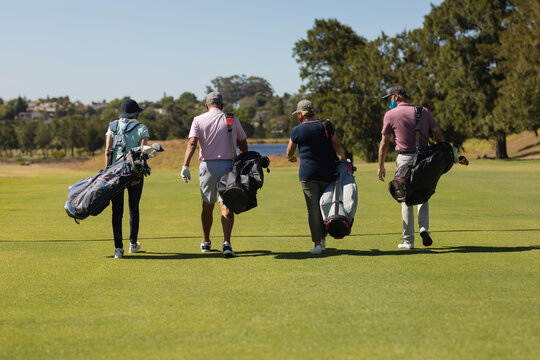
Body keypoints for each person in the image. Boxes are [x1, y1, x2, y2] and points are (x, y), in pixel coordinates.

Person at [181, 91, 248, 258]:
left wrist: (185, 165)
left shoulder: (198, 119)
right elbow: (244, 145)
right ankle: (227, 243)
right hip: (228, 166)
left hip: (207, 167)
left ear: (206, 105)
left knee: (207, 205)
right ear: (222, 105)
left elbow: (192, 143)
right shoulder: (231, 119)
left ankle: (206, 242)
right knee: (226, 206)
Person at [377, 86, 445, 249]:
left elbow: (384, 143)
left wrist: (381, 166)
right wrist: (442, 151)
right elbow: (437, 132)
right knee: (424, 193)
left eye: (389, 99)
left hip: (404, 159)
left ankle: (408, 240)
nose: (389, 102)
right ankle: (423, 227)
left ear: (397, 96)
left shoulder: (390, 115)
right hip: (424, 158)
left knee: (405, 197)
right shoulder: (423, 111)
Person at [286, 99, 345, 255]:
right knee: (326, 205)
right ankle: (324, 236)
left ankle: (317, 243)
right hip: (327, 172)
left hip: (307, 174)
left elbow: (289, 151)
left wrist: (291, 158)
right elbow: (337, 145)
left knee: (313, 209)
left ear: (300, 114)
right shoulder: (325, 125)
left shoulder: (297, 130)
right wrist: (342, 160)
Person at [105, 98, 149, 258]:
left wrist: (107, 173)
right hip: (133, 173)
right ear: (136, 114)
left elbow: (108, 151)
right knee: (133, 209)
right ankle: (132, 243)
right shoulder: (142, 128)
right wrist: (138, 175)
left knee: (117, 212)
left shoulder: (112, 126)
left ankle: (118, 249)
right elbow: (142, 154)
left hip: (114, 174)